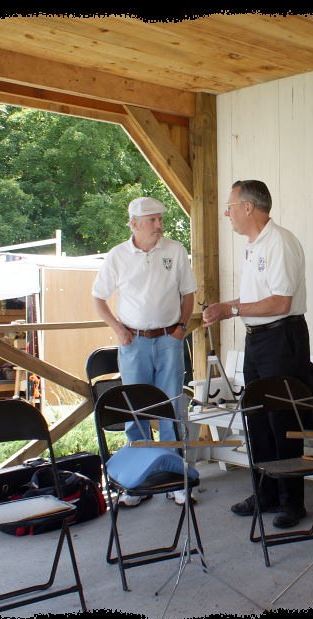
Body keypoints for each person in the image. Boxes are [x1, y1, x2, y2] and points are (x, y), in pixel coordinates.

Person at [203, 179, 313, 529]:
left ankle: (292, 501)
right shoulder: (252, 246)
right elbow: (255, 300)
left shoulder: (280, 243)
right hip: (257, 339)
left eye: (230, 206)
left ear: (249, 207)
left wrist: (231, 310)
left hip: (282, 337)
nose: (226, 213)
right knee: (256, 416)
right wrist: (225, 308)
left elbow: (280, 302)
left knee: (282, 419)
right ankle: (265, 494)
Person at [92, 196, 198, 508]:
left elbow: (188, 293)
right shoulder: (118, 256)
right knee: (135, 408)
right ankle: (138, 479)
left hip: (169, 338)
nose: (159, 225)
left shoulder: (175, 251)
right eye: (152, 220)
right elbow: (98, 298)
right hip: (134, 342)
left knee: (171, 406)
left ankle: (174, 477)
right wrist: (118, 329)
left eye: (160, 219)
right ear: (134, 224)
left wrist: (181, 327)